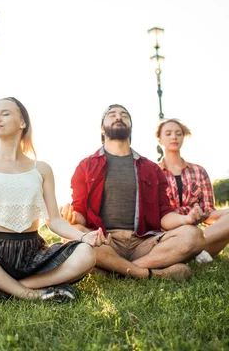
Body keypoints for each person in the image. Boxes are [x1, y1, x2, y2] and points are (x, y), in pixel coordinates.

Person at [0, 97, 110, 303]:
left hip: (33, 253)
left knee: (87, 254)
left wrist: (83, 237)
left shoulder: (42, 169)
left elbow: (54, 221)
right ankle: (29, 293)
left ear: (23, 123)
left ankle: (1, 288)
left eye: (5, 113)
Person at [61, 104, 205, 281]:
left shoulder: (151, 168)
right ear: (102, 129)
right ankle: (147, 273)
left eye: (124, 115)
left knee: (194, 235)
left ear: (130, 127)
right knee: (71, 237)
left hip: (143, 242)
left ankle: (115, 271)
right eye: (112, 115)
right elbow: (81, 212)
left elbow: (164, 214)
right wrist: (72, 218)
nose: (118, 117)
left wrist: (186, 219)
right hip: (104, 241)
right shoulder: (86, 166)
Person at [157, 118, 229, 263]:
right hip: (168, 237)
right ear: (160, 140)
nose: (174, 137)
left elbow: (208, 212)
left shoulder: (199, 171)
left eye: (178, 133)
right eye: (168, 133)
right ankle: (194, 252)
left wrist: (225, 212)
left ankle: (196, 252)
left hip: (201, 234)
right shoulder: (153, 172)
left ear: (183, 137)